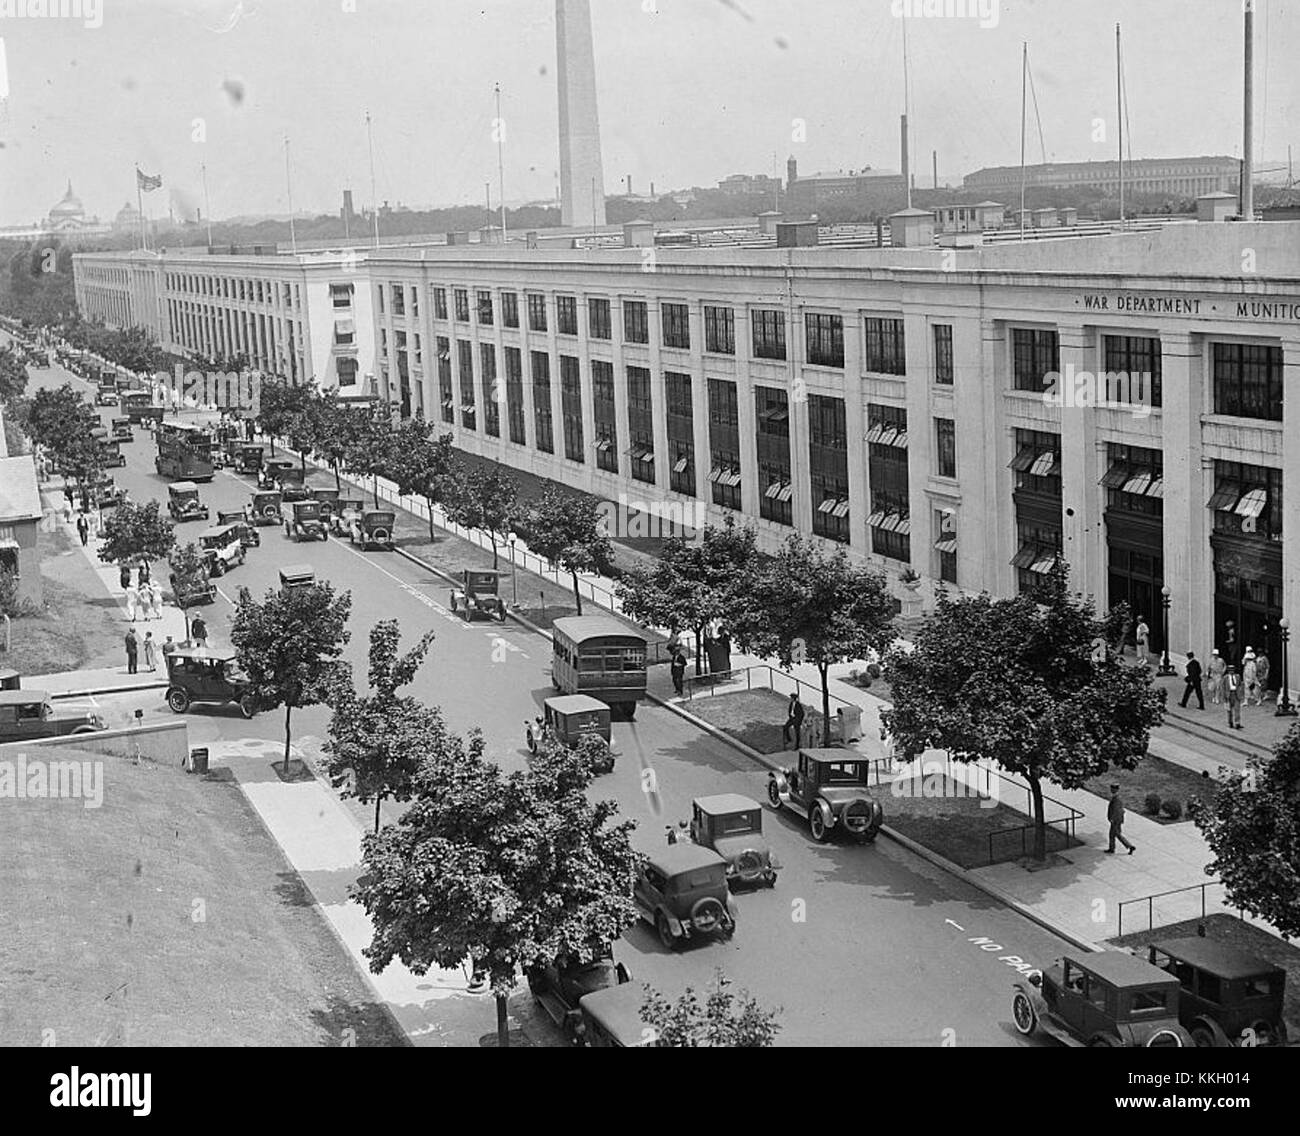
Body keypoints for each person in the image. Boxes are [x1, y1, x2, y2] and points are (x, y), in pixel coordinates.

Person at [1105, 784, 1135, 854]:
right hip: (1117, 819)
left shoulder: (1117, 798)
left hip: (1116, 820)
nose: (1111, 790)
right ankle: (1114, 848)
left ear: (1116, 789)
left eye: (1112, 789)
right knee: (1115, 834)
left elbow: (1117, 810)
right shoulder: (1116, 797)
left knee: (1114, 834)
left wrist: (1112, 819)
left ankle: (1129, 846)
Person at [1224, 664, 1244, 730]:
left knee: (1237, 709)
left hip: (1236, 694)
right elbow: (1223, 687)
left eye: (1232, 670)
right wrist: (1224, 697)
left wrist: (1240, 692)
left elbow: (1240, 685)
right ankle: (1230, 722)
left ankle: (1237, 723)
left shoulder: (1237, 676)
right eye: (1230, 670)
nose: (1231, 672)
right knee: (1229, 710)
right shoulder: (1225, 678)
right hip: (1229, 695)